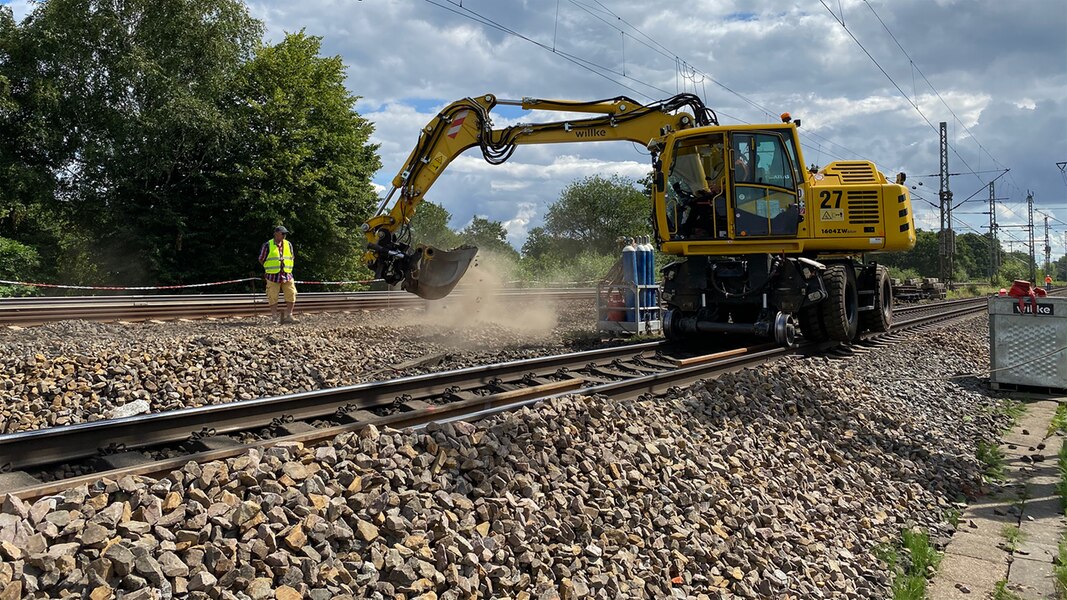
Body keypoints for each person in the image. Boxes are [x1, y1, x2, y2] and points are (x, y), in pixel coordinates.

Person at [259, 226, 298, 324]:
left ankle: (289, 315)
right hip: (272, 276)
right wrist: (268, 268)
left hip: (287, 274)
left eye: (285, 233)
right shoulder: (268, 245)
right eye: (283, 233)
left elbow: (292, 257)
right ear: (276, 234)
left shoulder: (288, 244)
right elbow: (261, 259)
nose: (285, 235)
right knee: (272, 296)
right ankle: (274, 318)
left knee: (291, 293)